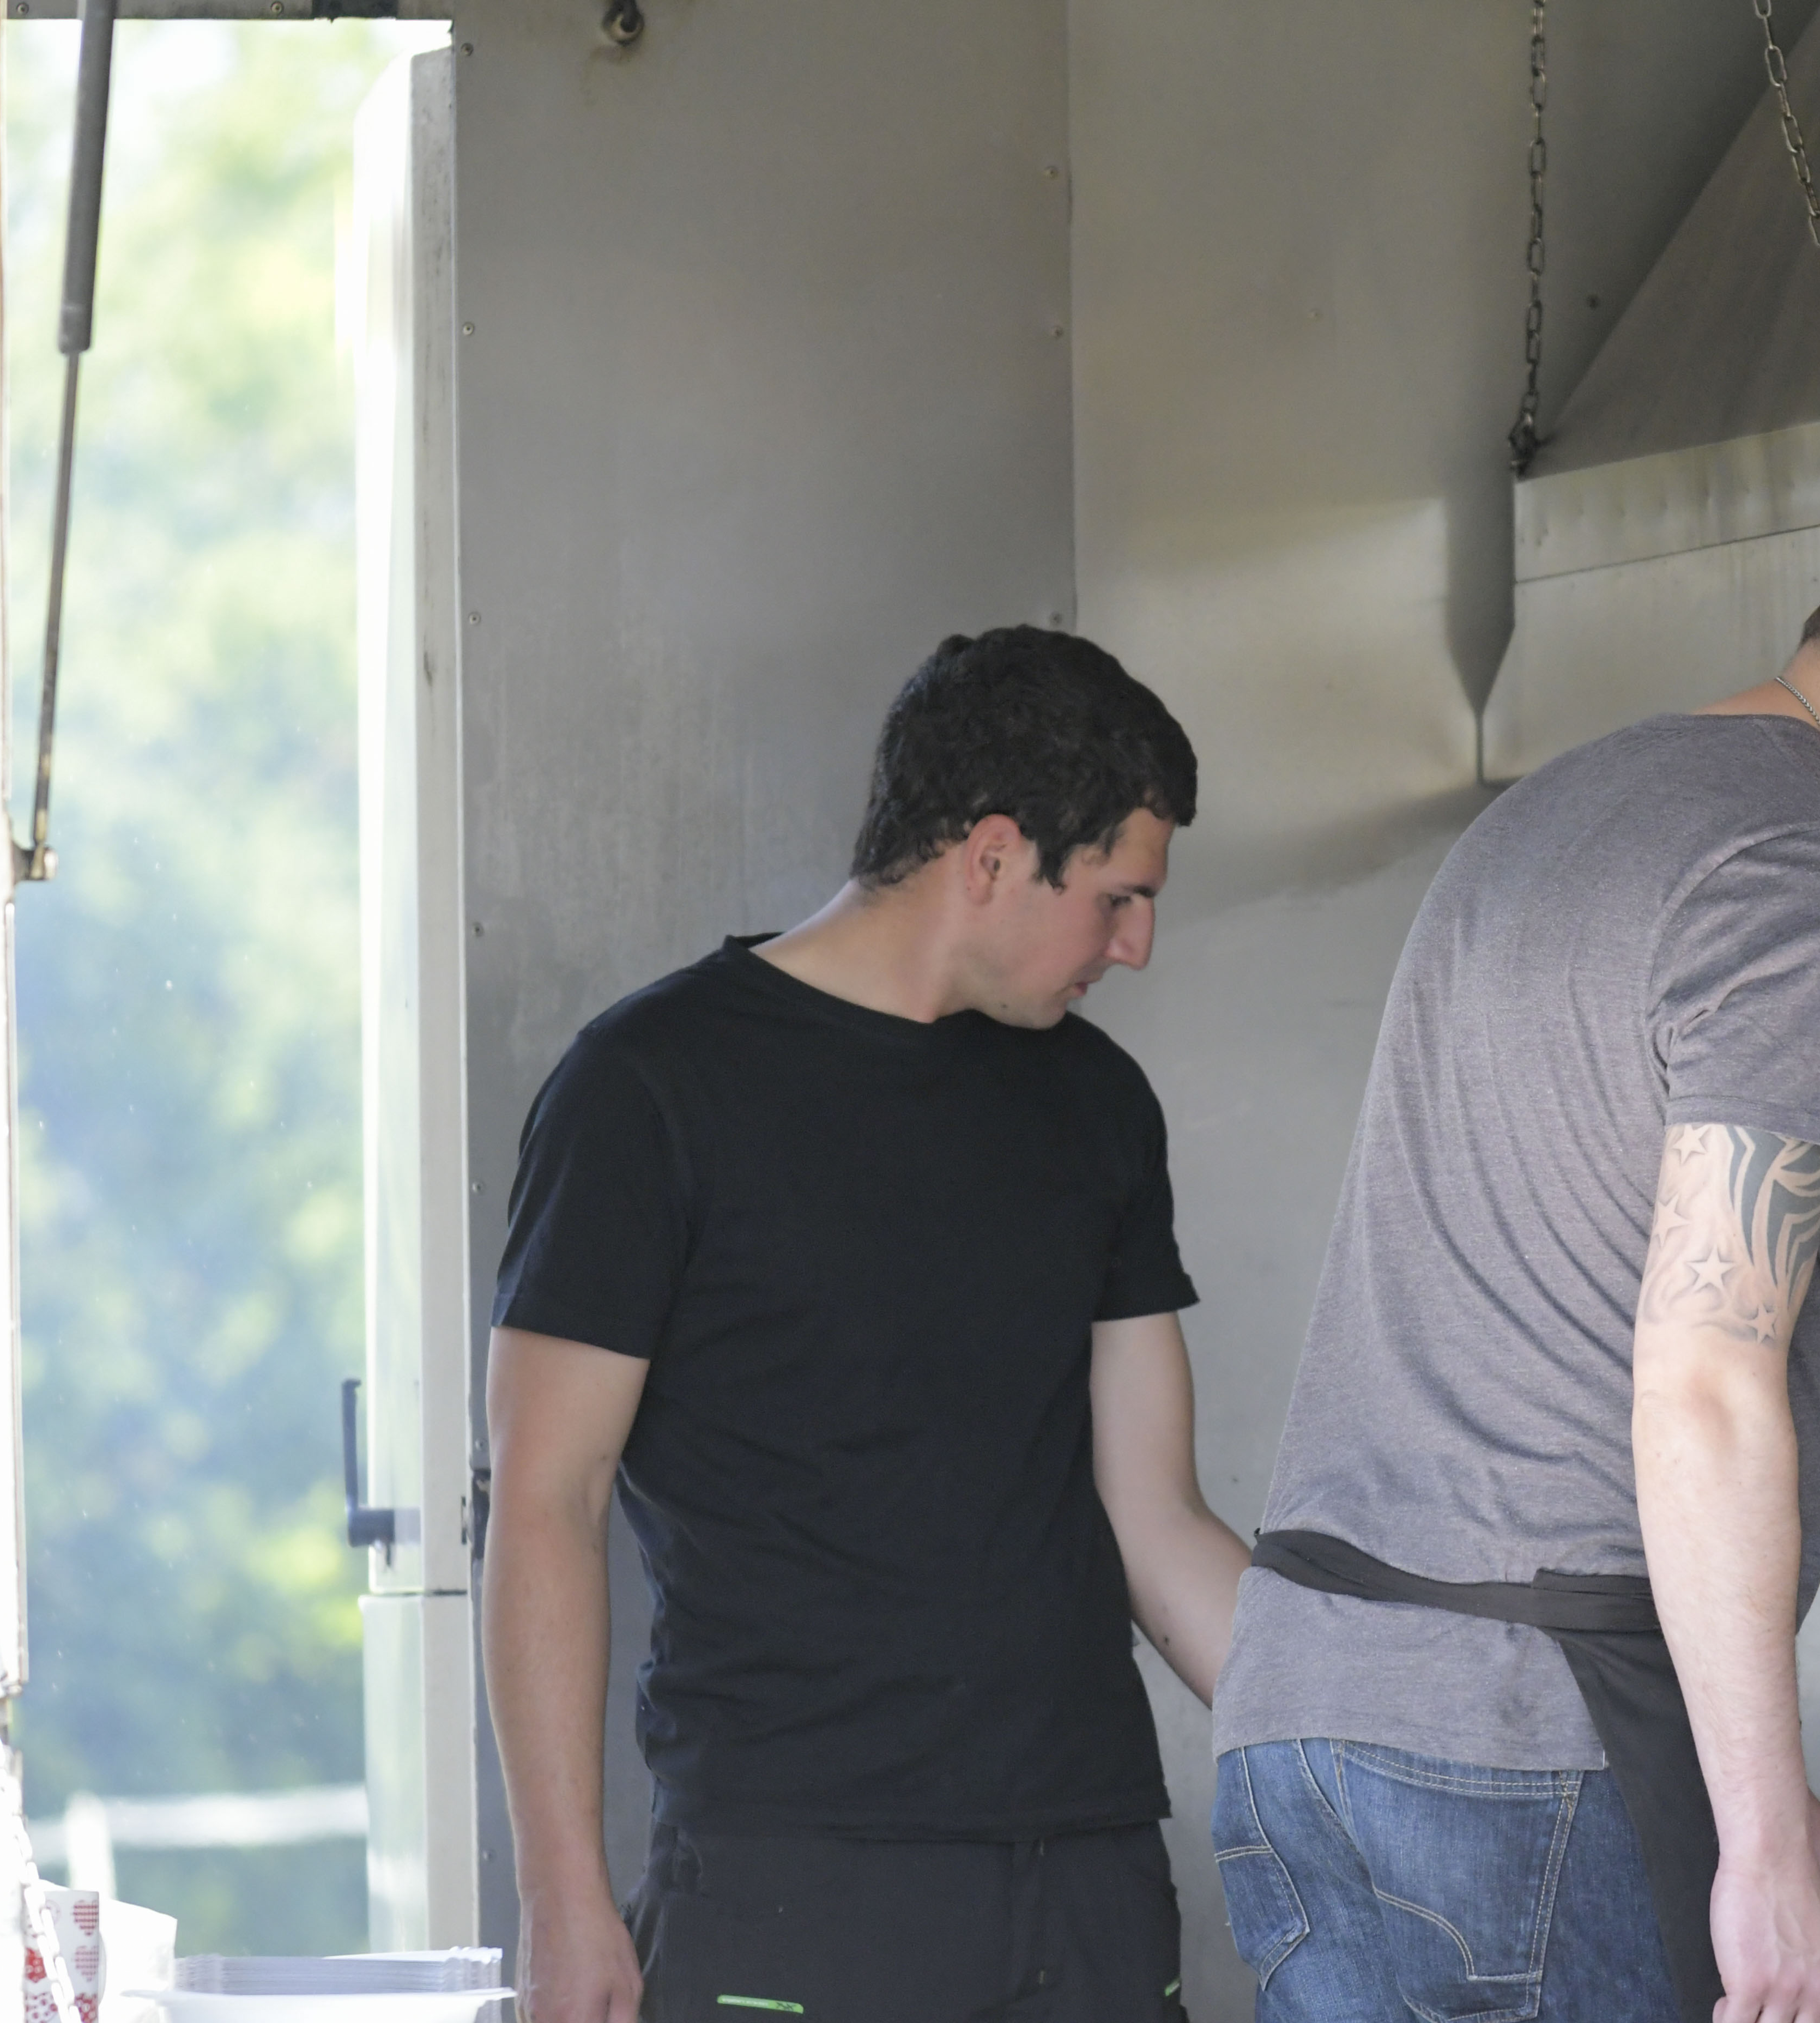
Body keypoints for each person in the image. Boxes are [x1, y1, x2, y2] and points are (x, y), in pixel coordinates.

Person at [1208, 428, 1820, 2023]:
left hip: (1308, 1725)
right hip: (1529, 1757)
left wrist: (1768, 1800)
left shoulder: (1562, 814)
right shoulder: (1807, 878)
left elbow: (1540, 1327)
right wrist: (1755, 1844)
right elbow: (1703, 1373)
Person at [483, 627, 1251, 2023]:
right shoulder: (647, 1089)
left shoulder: (1098, 1105)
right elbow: (548, 1499)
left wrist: (1362, 1743)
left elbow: (1157, 1516)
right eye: (1120, 898)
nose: (1136, 947)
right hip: (795, 1887)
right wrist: (561, 1895)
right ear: (995, 855)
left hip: (1088, 1876)